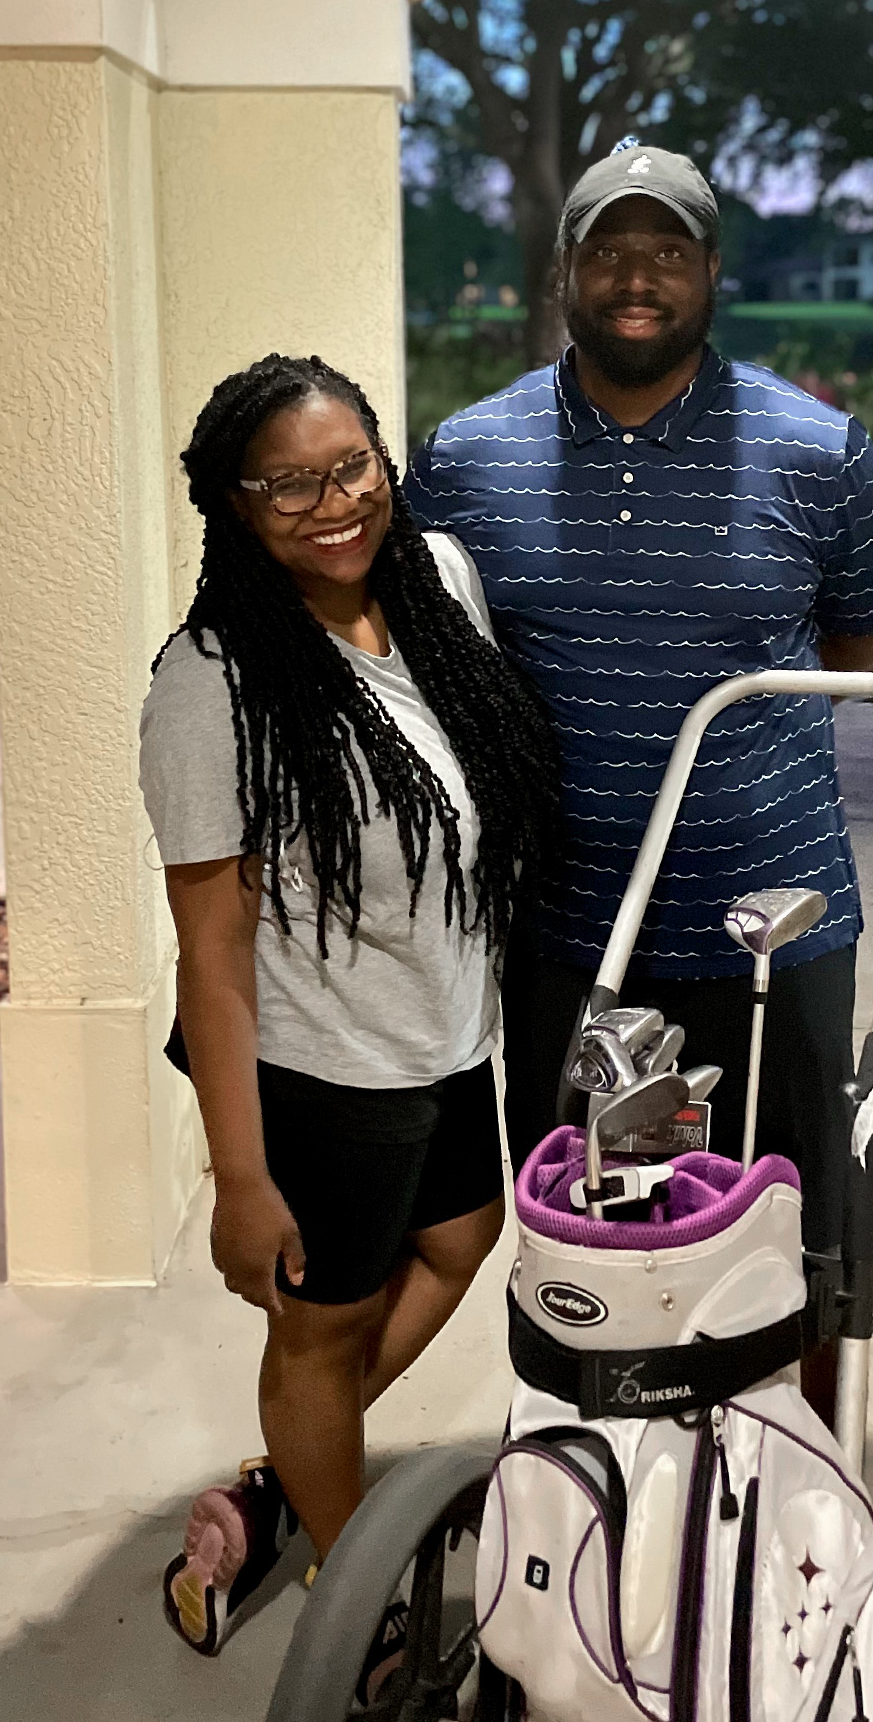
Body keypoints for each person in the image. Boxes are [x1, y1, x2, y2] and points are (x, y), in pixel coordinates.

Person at [402, 141, 873, 1718]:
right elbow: (441, 659)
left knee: (811, 1257)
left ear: (713, 273)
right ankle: (583, 1528)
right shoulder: (468, 456)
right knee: (587, 1245)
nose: (638, 276)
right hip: (572, 932)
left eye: (671, 251)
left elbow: (864, 646)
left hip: (780, 922)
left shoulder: (818, 449)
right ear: (563, 270)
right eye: (608, 250)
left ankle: (819, 1541)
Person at [146, 354, 559, 1657]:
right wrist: (240, 1176)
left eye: (350, 467)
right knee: (319, 1339)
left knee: (462, 1240)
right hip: (321, 1071)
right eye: (285, 485)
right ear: (232, 504)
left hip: (442, 1032)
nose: (331, 503)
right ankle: (355, 1590)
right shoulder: (214, 682)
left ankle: (283, 1474)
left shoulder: (437, 580)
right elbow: (209, 954)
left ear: (383, 457)